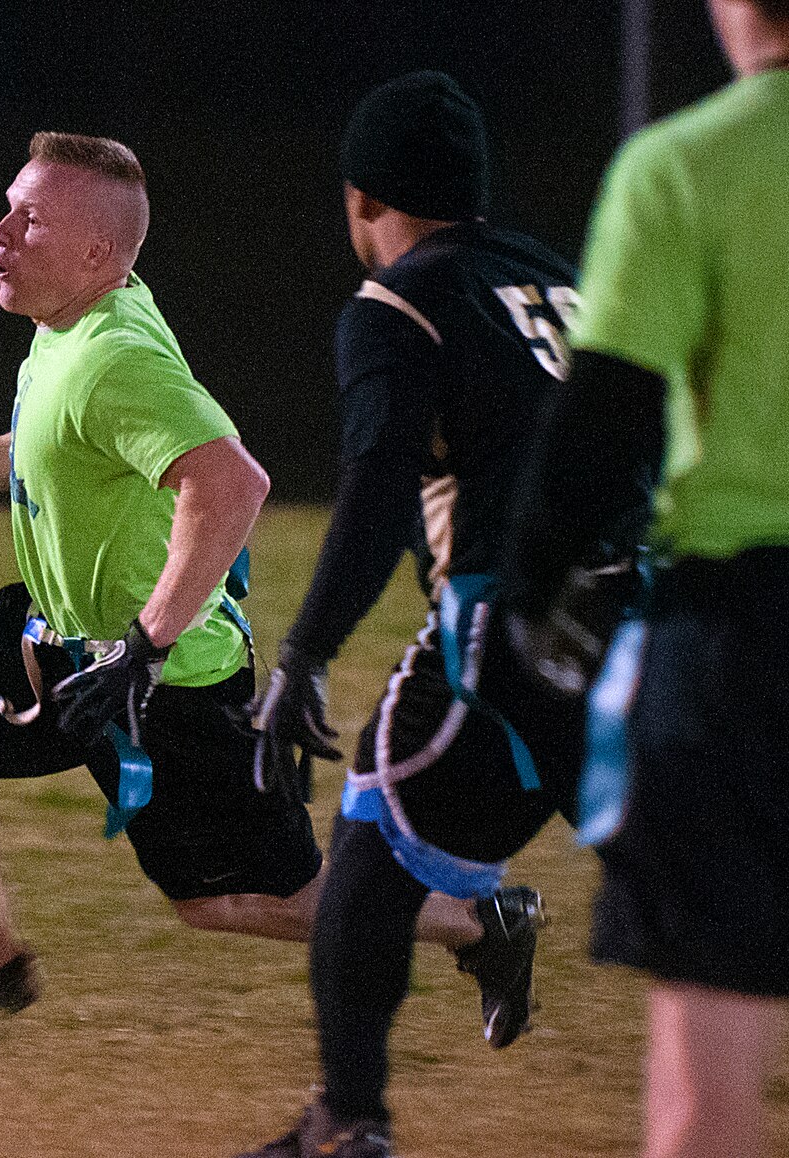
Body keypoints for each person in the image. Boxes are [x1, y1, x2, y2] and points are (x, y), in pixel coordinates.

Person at [0, 131, 487, 1017]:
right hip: (57, 638)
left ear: (94, 252)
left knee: (239, 900)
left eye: (27, 220)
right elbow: (54, 439)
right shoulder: (72, 323)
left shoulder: (118, 358)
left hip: (167, 679)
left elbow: (233, 484)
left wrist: (146, 646)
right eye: (8, 209)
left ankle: (482, 921)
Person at [235, 72, 634, 1158]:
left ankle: (346, 1123)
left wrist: (304, 655)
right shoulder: (557, 282)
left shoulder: (398, 304)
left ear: (363, 201)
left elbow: (373, 493)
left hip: (512, 631)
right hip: (640, 623)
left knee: (367, 845)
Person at [496, 0, 789, 1158]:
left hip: (738, 647)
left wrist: (532, 590)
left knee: (705, 1083)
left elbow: (602, 417)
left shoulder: (683, 168)